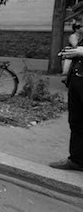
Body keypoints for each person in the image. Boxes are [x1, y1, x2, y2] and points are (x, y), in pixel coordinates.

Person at [51, 14, 83, 171]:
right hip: (76, 82)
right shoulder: (80, 36)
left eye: (80, 19)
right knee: (76, 121)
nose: (76, 23)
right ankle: (76, 160)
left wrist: (79, 52)